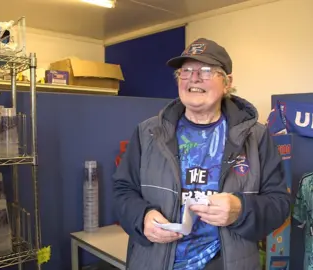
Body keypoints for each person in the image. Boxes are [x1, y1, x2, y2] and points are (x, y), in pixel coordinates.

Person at [113, 38, 290, 270]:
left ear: (227, 83)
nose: (194, 78)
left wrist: (241, 209)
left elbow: (279, 203)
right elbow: (122, 190)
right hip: (155, 261)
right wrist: (142, 217)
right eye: (185, 71)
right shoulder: (148, 133)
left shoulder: (256, 137)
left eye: (207, 70)